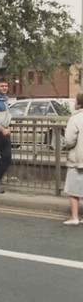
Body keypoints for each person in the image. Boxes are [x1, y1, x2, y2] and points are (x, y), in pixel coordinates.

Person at [62, 93, 83, 225]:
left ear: (79, 103)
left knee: (73, 190)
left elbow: (69, 140)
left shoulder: (75, 118)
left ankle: (75, 217)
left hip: (78, 159)